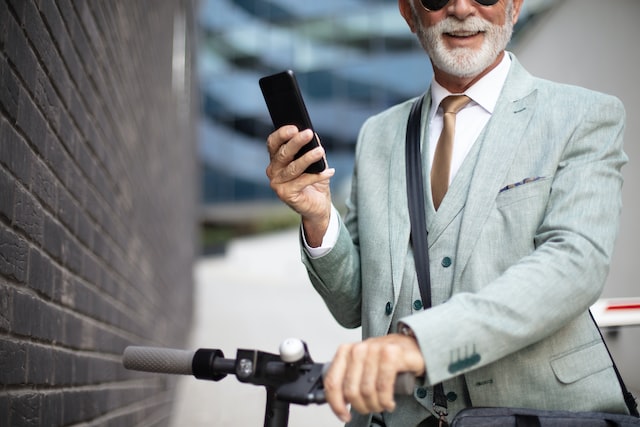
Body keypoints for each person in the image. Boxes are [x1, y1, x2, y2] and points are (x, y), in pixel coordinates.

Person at [265, 0, 630, 425]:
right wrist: (318, 218)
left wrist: (421, 344)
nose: (460, 7)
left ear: (515, 4)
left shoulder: (584, 116)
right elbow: (356, 305)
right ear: (409, 12)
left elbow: (575, 263)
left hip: (535, 413)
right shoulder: (378, 135)